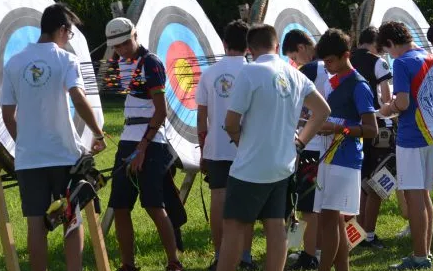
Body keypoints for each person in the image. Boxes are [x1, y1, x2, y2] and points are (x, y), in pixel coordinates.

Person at [0, 4, 106, 271]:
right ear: (62, 29)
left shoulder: (13, 62)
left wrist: (24, 142)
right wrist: (98, 132)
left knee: (36, 222)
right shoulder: (65, 59)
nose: (68, 39)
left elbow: (7, 115)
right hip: (63, 155)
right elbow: (79, 99)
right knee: (71, 218)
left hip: (29, 159)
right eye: (69, 34)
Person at [217, 24, 331, 271]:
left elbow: (230, 122)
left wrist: (239, 141)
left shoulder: (250, 72)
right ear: (277, 46)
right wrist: (300, 142)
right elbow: (322, 111)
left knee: (234, 226)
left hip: (250, 167)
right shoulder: (296, 74)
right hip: (284, 165)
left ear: (250, 50)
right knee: (276, 225)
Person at [104, 17, 183, 271]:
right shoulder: (122, 63)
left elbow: (161, 111)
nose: (122, 49)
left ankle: (174, 263)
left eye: (126, 43)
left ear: (135, 35)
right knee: (120, 206)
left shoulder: (151, 63)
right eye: (116, 46)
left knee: (153, 205)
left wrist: (142, 146)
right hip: (128, 139)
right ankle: (128, 265)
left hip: (151, 143)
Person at [378, 21, 433, 270]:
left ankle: (420, 257)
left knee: (414, 195)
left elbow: (404, 103)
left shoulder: (402, 62)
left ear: (390, 43)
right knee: (423, 193)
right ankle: (424, 254)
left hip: (413, 134)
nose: (389, 55)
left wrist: (387, 109)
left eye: (387, 50)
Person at [313, 29, 378, 271]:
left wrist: (340, 129)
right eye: (324, 62)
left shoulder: (359, 85)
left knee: (329, 219)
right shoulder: (336, 81)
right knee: (334, 219)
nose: (327, 66)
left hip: (345, 159)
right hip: (330, 156)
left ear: (345, 55)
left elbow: (371, 129)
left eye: (330, 61)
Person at [195, 20, 256, 270]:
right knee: (247, 202)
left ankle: (221, 255)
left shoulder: (209, 73)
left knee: (219, 199)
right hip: (248, 147)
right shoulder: (254, 71)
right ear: (249, 46)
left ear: (224, 43)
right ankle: (245, 256)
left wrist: (203, 149)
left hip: (217, 148)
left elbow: (201, 117)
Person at [283, 29, 324, 270]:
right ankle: (316, 249)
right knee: (323, 205)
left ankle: (310, 255)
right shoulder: (330, 67)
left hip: (312, 144)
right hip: (330, 143)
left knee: (308, 204)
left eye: (294, 58)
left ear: (301, 48)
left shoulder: (309, 70)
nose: (295, 63)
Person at [350, 26, 394, 249]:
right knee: (378, 182)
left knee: (360, 182)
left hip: (352, 128)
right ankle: (369, 234)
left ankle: (356, 234)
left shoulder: (346, 59)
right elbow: (386, 98)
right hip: (378, 127)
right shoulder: (379, 62)